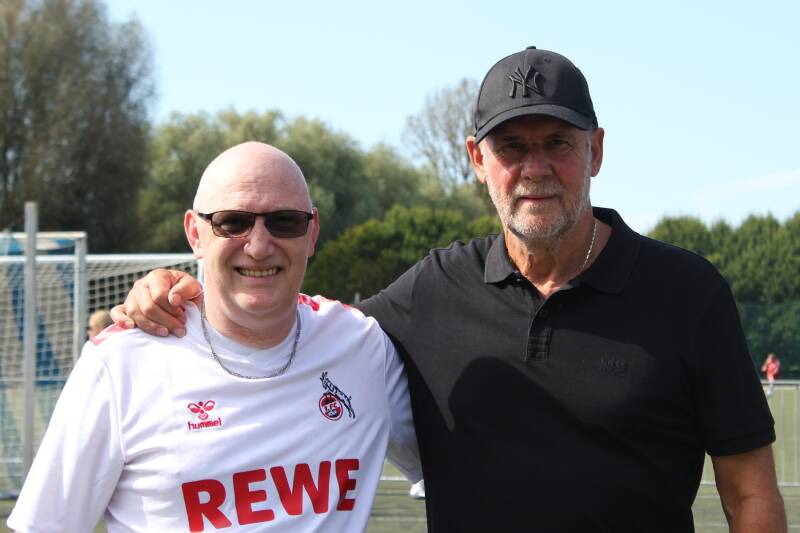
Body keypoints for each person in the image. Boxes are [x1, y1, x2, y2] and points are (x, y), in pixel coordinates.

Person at [111, 47, 785, 531]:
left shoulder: (689, 293)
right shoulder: (430, 291)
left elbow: (750, 493)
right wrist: (179, 291)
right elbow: (290, 323)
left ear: (597, 151)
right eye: (511, 147)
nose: (535, 167)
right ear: (476, 160)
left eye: (558, 142)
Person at [8, 142, 420, 532]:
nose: (259, 246)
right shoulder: (120, 363)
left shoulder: (363, 347)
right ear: (195, 233)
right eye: (232, 222)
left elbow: (447, 465)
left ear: (311, 234)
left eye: (285, 222)